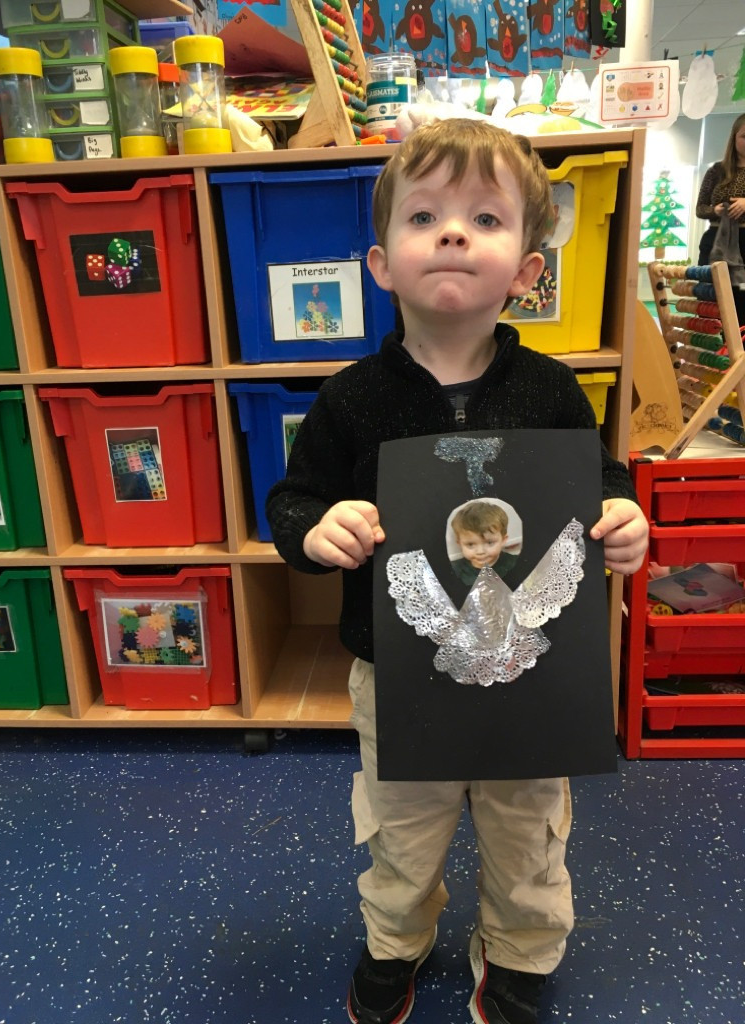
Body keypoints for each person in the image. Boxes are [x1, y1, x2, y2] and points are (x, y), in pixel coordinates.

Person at [266, 118, 649, 1024]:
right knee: (402, 833)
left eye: (484, 218)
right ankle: (396, 941)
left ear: (526, 270)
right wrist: (317, 529)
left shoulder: (552, 390)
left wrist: (622, 515)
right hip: (402, 678)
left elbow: (600, 482)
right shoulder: (350, 398)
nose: (451, 234)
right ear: (380, 264)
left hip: (532, 680)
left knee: (529, 833)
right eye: (424, 216)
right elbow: (292, 500)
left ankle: (521, 951)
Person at [695, 112, 745, 268]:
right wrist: (715, 211)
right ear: (734, 138)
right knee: (709, 283)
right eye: (744, 136)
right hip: (715, 239)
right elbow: (700, 209)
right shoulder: (716, 170)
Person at [450, 500, 518, 584]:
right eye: (470, 544)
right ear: (460, 544)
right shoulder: (454, 570)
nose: (480, 552)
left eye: (490, 543)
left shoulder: (515, 563)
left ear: (503, 540)